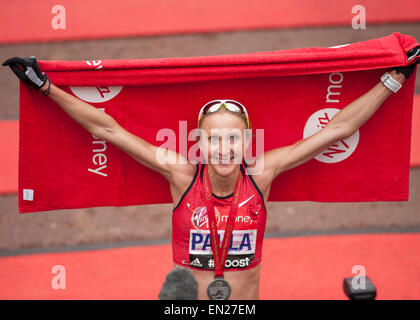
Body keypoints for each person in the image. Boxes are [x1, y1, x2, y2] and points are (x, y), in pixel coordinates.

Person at [3, 56, 418, 300]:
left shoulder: (263, 173)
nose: (223, 149)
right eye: (214, 140)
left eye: (232, 139)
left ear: (246, 142)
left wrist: (393, 79)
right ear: (198, 143)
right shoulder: (181, 175)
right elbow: (108, 129)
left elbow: (336, 129)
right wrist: (46, 86)